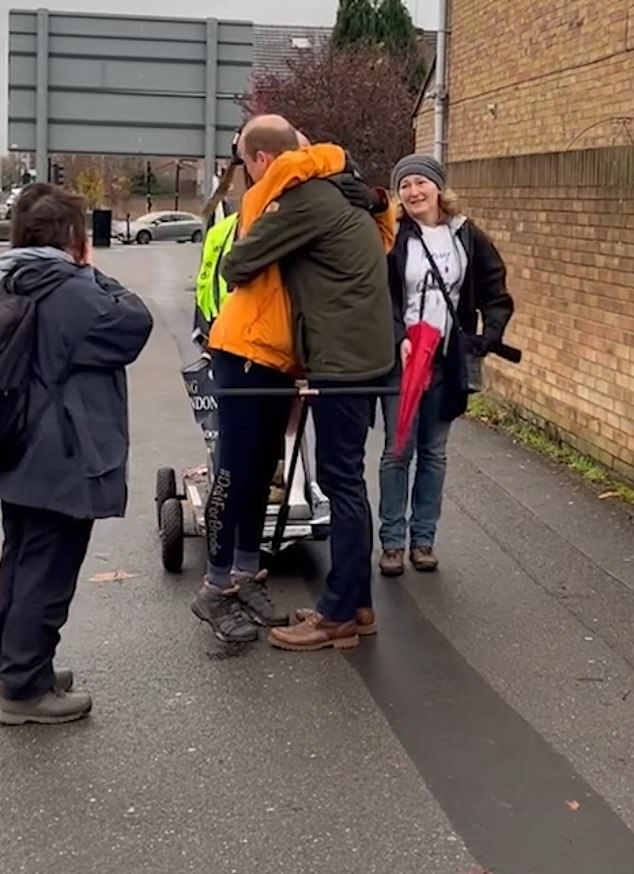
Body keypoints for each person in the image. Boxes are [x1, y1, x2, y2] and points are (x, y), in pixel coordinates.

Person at [204, 114, 396, 653]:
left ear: (266, 162)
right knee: (347, 478)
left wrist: (266, 223)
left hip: (342, 357)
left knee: (341, 482)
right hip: (362, 351)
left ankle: (338, 615)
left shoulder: (304, 199)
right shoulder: (343, 192)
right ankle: (356, 604)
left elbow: (237, 264)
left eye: (248, 165)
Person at [0, 185, 153, 725]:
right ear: (75, 238)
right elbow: (133, 324)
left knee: (19, 561)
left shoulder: (10, 276)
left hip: (17, 450)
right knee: (47, 571)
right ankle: (23, 690)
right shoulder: (70, 289)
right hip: (63, 454)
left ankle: (17, 667)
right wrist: (92, 271)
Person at [378, 154, 514, 577]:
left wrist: (488, 335)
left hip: (447, 358)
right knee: (398, 450)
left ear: (439, 188)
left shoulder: (467, 236)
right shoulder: (393, 237)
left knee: (434, 453)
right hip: (403, 360)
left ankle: (423, 540)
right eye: (405, 186)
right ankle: (393, 543)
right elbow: (379, 294)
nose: (414, 192)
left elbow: (496, 291)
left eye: (421, 182)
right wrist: (397, 333)